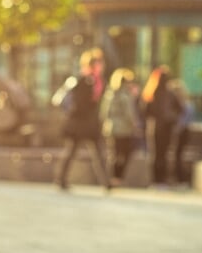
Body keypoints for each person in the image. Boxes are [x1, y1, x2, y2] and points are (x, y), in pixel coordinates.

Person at [54, 48, 111, 192]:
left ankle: (106, 182)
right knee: (73, 151)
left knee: (98, 152)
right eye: (99, 63)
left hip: (90, 123)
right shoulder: (83, 80)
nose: (101, 66)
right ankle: (61, 179)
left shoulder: (98, 81)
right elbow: (80, 103)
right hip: (80, 124)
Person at [141, 65, 183, 188]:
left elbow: (180, 109)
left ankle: (159, 179)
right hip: (160, 127)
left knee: (159, 154)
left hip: (159, 127)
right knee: (160, 154)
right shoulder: (155, 93)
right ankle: (158, 179)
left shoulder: (155, 93)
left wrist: (170, 117)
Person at [100, 67, 142, 187]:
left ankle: (112, 178)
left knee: (114, 153)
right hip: (124, 129)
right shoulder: (125, 95)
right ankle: (117, 178)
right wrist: (136, 125)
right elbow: (130, 113)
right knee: (124, 153)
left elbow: (104, 113)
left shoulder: (109, 93)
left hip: (111, 128)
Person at [169, 79, 194, 187]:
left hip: (182, 132)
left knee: (179, 155)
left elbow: (185, 120)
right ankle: (177, 178)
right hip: (179, 131)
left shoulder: (185, 105)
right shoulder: (178, 104)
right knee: (176, 155)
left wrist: (177, 128)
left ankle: (181, 179)